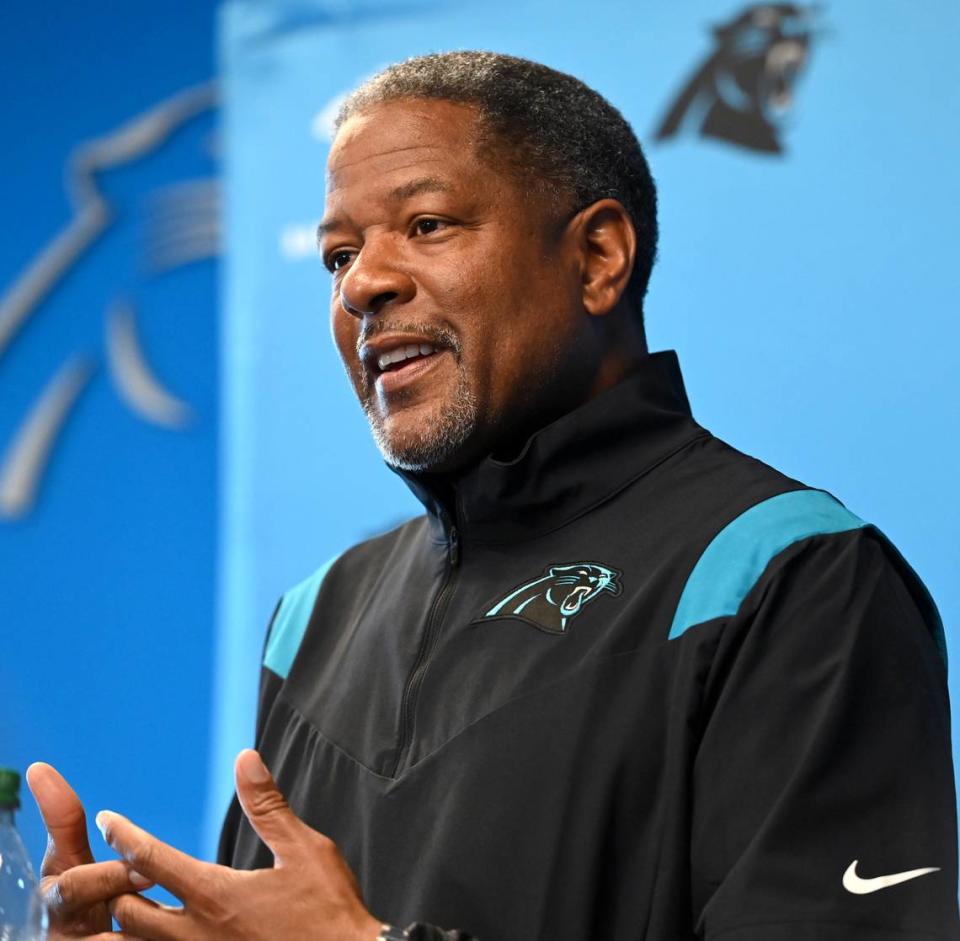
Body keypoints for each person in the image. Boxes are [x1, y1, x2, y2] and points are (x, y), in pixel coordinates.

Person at [26, 51, 959, 941]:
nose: (365, 286)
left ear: (597, 257)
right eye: (338, 256)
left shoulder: (788, 575)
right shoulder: (318, 614)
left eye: (427, 225)